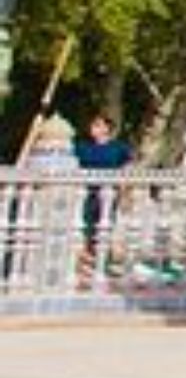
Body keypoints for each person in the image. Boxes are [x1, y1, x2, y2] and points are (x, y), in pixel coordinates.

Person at [76, 113, 131, 277]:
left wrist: (125, 193)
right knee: (87, 226)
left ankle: (103, 260)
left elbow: (126, 170)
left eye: (98, 125)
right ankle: (86, 261)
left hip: (109, 194)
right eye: (93, 124)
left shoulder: (119, 148)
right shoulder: (82, 147)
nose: (93, 128)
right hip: (87, 192)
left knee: (105, 225)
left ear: (107, 128)